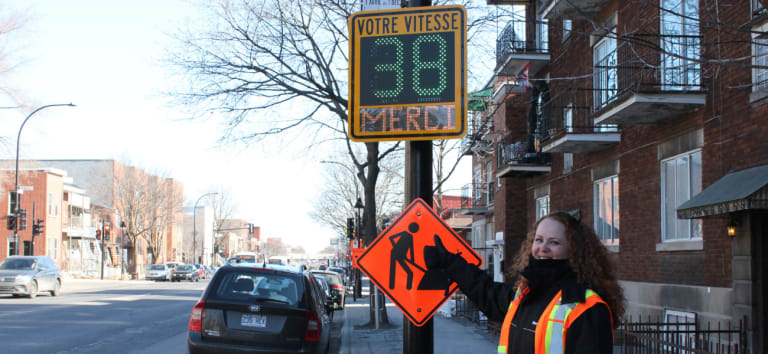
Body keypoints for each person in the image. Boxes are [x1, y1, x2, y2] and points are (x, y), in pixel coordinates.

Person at [424, 211, 624, 354]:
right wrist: (450, 262)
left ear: (574, 251)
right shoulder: (526, 294)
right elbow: (486, 292)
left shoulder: (585, 307)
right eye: (539, 240)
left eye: (554, 242)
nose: (542, 248)